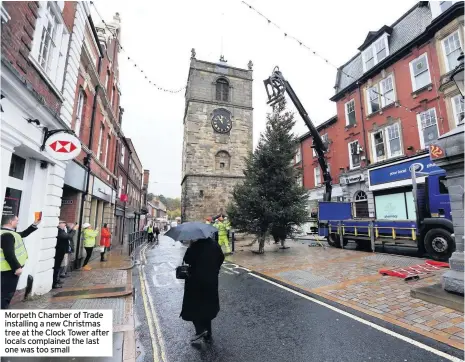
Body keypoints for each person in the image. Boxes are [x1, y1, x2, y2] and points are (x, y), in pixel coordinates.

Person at [181, 237, 224, 343]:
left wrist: (190, 246)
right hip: (211, 281)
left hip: (195, 282)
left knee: (193, 307)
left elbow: (187, 259)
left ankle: (200, 330)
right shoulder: (215, 244)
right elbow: (221, 258)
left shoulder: (195, 246)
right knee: (207, 306)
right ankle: (208, 333)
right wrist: (215, 270)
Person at [1, 214, 41, 309]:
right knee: (5, 295)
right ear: (11, 222)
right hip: (8, 270)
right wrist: (17, 267)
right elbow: (9, 253)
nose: (18, 222)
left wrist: (34, 225)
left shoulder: (8, 233)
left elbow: (23, 234)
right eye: (16, 220)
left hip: (5, 270)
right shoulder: (7, 235)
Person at [53, 221, 78, 289]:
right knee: (57, 267)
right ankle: (54, 282)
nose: (65, 224)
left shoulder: (62, 231)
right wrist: (74, 230)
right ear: (59, 224)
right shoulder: (59, 231)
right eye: (63, 223)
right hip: (59, 252)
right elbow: (69, 236)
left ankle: (57, 280)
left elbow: (67, 235)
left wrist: (72, 229)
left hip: (62, 251)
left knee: (59, 266)